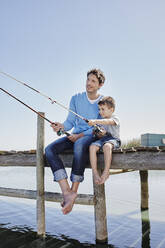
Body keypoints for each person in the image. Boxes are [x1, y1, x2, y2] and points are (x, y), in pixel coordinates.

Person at [45, 69, 105, 215]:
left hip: (91, 137)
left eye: (93, 81)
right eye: (88, 80)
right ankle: (66, 191)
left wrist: (79, 136)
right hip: (75, 136)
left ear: (100, 85)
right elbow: (70, 122)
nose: (89, 83)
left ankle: (74, 190)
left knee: (79, 144)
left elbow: (101, 128)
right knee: (49, 150)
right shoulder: (76, 98)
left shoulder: (103, 101)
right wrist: (61, 127)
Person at [88, 96, 121, 185]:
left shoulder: (115, 118)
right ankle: (95, 173)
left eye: (103, 109)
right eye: (99, 109)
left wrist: (95, 121)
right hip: (103, 139)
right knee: (92, 147)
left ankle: (106, 171)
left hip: (114, 140)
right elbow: (101, 134)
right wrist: (99, 133)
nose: (100, 112)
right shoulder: (102, 121)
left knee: (107, 146)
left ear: (111, 110)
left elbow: (109, 122)